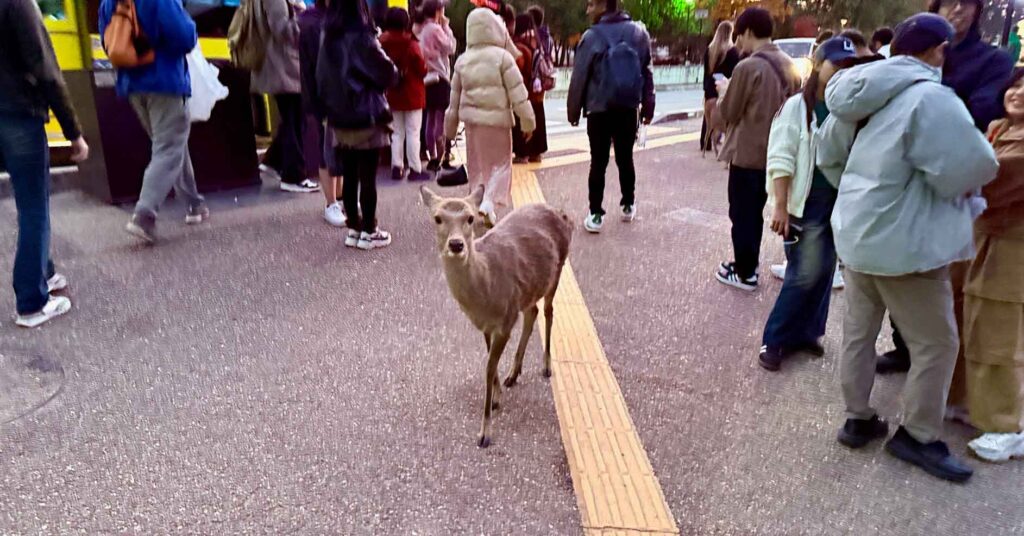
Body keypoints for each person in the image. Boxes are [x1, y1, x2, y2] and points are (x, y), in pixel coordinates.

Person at [817, 13, 998, 482]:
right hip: (905, 244)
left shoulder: (855, 91)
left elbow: (828, 155)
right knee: (938, 342)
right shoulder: (930, 98)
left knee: (859, 332)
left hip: (856, 231)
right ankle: (918, 435)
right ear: (938, 51)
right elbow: (973, 165)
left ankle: (858, 418)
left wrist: (861, 195)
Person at [877, 0, 1014, 377]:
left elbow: (980, 111)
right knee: (898, 263)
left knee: (940, 275)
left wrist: (926, 100)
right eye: (948, 2)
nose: (957, 10)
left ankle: (940, 362)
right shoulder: (911, 52)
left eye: (966, 3)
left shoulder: (992, 61)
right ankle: (905, 346)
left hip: (951, 181)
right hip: (903, 173)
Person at [758, 37, 858, 371]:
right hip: (806, 203)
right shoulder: (797, 107)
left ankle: (807, 333)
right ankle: (774, 339)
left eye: (848, 65)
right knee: (804, 273)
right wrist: (781, 206)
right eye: (836, 64)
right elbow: (781, 157)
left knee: (825, 271)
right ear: (819, 64)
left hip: (836, 202)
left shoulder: (847, 108)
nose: (842, 71)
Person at [1, 0, 88, 326]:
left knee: (28, 203)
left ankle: (44, 272)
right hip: (18, 115)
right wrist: (73, 131)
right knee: (34, 206)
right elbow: (46, 69)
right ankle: (32, 302)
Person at [99, 0, 207, 244]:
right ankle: (144, 215)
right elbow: (185, 36)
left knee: (169, 145)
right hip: (164, 80)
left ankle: (194, 203)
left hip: (132, 84)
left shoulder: (108, 2)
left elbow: (108, 42)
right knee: (168, 148)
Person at [713, 7, 800, 290]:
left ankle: (745, 272)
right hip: (779, 156)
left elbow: (729, 112)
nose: (738, 41)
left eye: (740, 35)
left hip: (748, 154)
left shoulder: (747, 67)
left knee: (743, 215)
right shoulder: (790, 65)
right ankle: (747, 264)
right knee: (759, 212)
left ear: (748, 32)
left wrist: (724, 91)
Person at [963, 70, 1024, 462]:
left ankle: (1007, 426)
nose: (1017, 93)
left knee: (999, 335)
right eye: (1016, 85)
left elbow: (989, 178)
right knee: (972, 323)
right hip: (982, 236)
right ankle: (976, 405)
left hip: (1012, 248)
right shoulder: (999, 127)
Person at [317, 0, 398, 250]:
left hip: (339, 118)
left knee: (349, 174)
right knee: (368, 177)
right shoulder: (362, 36)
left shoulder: (327, 35)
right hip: (366, 116)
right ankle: (370, 231)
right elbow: (388, 72)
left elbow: (321, 77)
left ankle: (353, 228)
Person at [567, 0, 654, 234]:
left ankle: (595, 214)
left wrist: (573, 111)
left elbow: (579, 77)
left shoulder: (591, 37)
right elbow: (646, 71)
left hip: (599, 109)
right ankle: (628, 204)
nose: (587, 10)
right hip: (628, 106)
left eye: (591, 4)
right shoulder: (638, 33)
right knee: (625, 158)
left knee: (598, 161)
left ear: (604, 5)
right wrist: (648, 106)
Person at [445, 7, 535, 227]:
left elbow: (453, 100)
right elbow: (518, 93)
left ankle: (481, 206)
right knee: (501, 165)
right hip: (497, 124)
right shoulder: (503, 58)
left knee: (477, 166)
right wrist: (527, 120)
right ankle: (488, 204)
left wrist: (450, 129)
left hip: (472, 125)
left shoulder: (462, 61)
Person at [256, 0, 320, 193]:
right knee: (296, 121)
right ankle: (293, 176)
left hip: (286, 66)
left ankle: (273, 162)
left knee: (293, 120)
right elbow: (283, 31)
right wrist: (303, 14)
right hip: (284, 68)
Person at [299, 0, 345, 226]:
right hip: (325, 96)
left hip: (338, 95)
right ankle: (331, 202)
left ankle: (340, 198)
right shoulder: (315, 23)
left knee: (341, 147)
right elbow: (314, 67)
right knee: (328, 149)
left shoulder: (330, 19)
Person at [380, 7, 430, 182]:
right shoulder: (411, 44)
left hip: (393, 93)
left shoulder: (381, 43)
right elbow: (422, 70)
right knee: (413, 133)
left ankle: (397, 167)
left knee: (397, 133)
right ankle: (415, 169)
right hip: (413, 94)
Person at [419, 0, 456, 172]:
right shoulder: (436, 29)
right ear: (437, 11)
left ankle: (433, 156)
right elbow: (450, 47)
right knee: (440, 119)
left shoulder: (423, 29)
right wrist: (446, 26)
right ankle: (441, 156)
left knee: (430, 118)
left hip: (428, 78)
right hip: (440, 78)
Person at [512, 14, 548, 164]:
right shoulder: (537, 42)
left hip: (524, 91)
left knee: (522, 120)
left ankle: (522, 153)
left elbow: (517, 69)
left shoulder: (519, 46)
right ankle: (536, 153)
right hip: (537, 93)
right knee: (537, 117)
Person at [702, 21, 740, 155]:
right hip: (724, 87)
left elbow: (706, 71)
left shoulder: (710, 50)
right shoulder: (732, 51)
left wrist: (706, 87)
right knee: (723, 118)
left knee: (708, 117)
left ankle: (705, 142)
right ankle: (723, 146)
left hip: (710, 87)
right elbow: (734, 72)